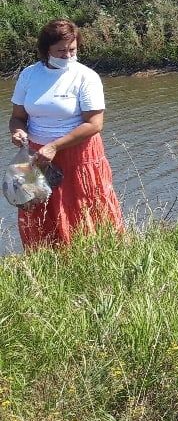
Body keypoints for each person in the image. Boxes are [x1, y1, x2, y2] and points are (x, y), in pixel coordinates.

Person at [8, 19, 125, 250]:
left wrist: (54, 147)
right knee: (37, 207)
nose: (68, 56)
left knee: (82, 205)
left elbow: (94, 124)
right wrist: (18, 131)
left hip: (79, 154)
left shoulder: (86, 77)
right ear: (46, 51)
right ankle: (46, 259)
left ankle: (97, 255)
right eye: (60, 51)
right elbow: (17, 116)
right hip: (36, 154)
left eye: (72, 49)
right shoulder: (29, 75)